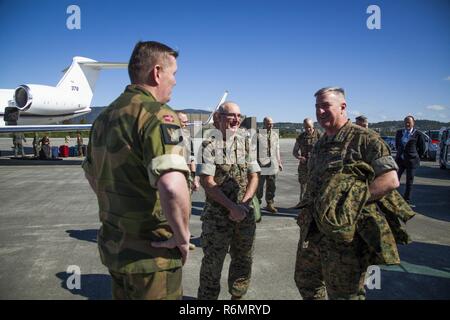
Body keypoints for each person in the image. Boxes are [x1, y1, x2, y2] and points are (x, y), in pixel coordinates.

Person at [82, 41, 191, 300]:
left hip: (115, 249)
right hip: (152, 255)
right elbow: (172, 187)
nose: (175, 81)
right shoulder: (157, 115)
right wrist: (182, 236)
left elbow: (91, 173)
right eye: (173, 73)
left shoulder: (104, 117)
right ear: (156, 73)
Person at [294, 87, 405, 300]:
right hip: (313, 232)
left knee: (346, 294)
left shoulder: (365, 139)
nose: (320, 111)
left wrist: (349, 203)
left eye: (326, 105)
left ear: (343, 106)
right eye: (317, 107)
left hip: (345, 238)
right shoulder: (320, 144)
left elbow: (390, 180)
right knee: (307, 282)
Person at [197, 101, 260, 300]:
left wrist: (244, 205)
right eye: (231, 115)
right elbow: (207, 182)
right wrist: (232, 207)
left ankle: (237, 298)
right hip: (218, 219)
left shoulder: (245, 143)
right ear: (218, 117)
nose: (236, 120)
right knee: (212, 265)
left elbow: (254, 176)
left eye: (239, 116)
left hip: (244, 215)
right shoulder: (208, 145)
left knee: (243, 261)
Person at [177, 111, 200, 251]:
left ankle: (183, 235)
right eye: (183, 121)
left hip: (187, 174)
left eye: (186, 121)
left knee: (187, 208)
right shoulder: (169, 134)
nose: (186, 124)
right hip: (175, 174)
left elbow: (191, 156)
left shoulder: (186, 134)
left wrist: (195, 177)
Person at [395, 116, 426, 207]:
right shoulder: (399, 132)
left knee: (409, 181)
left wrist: (415, 156)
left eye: (409, 122)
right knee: (395, 179)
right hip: (400, 160)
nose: (407, 124)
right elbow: (397, 145)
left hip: (411, 161)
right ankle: (393, 199)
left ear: (413, 123)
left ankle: (406, 200)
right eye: (406, 122)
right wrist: (400, 153)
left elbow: (422, 148)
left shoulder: (418, 134)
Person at [292, 118, 320, 208]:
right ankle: (302, 206)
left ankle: (316, 207)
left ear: (313, 125)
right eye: (305, 127)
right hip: (304, 166)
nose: (308, 129)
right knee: (303, 187)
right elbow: (295, 151)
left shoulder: (320, 135)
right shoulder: (301, 137)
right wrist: (299, 157)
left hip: (317, 166)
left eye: (309, 127)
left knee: (317, 187)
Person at [256, 117, 282, 213]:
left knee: (272, 185)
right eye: (268, 124)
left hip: (273, 164)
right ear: (264, 123)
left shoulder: (275, 135)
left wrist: (279, 162)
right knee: (259, 186)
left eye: (272, 123)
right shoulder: (258, 135)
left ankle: (270, 203)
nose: (270, 125)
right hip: (261, 165)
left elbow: (277, 149)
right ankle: (257, 204)